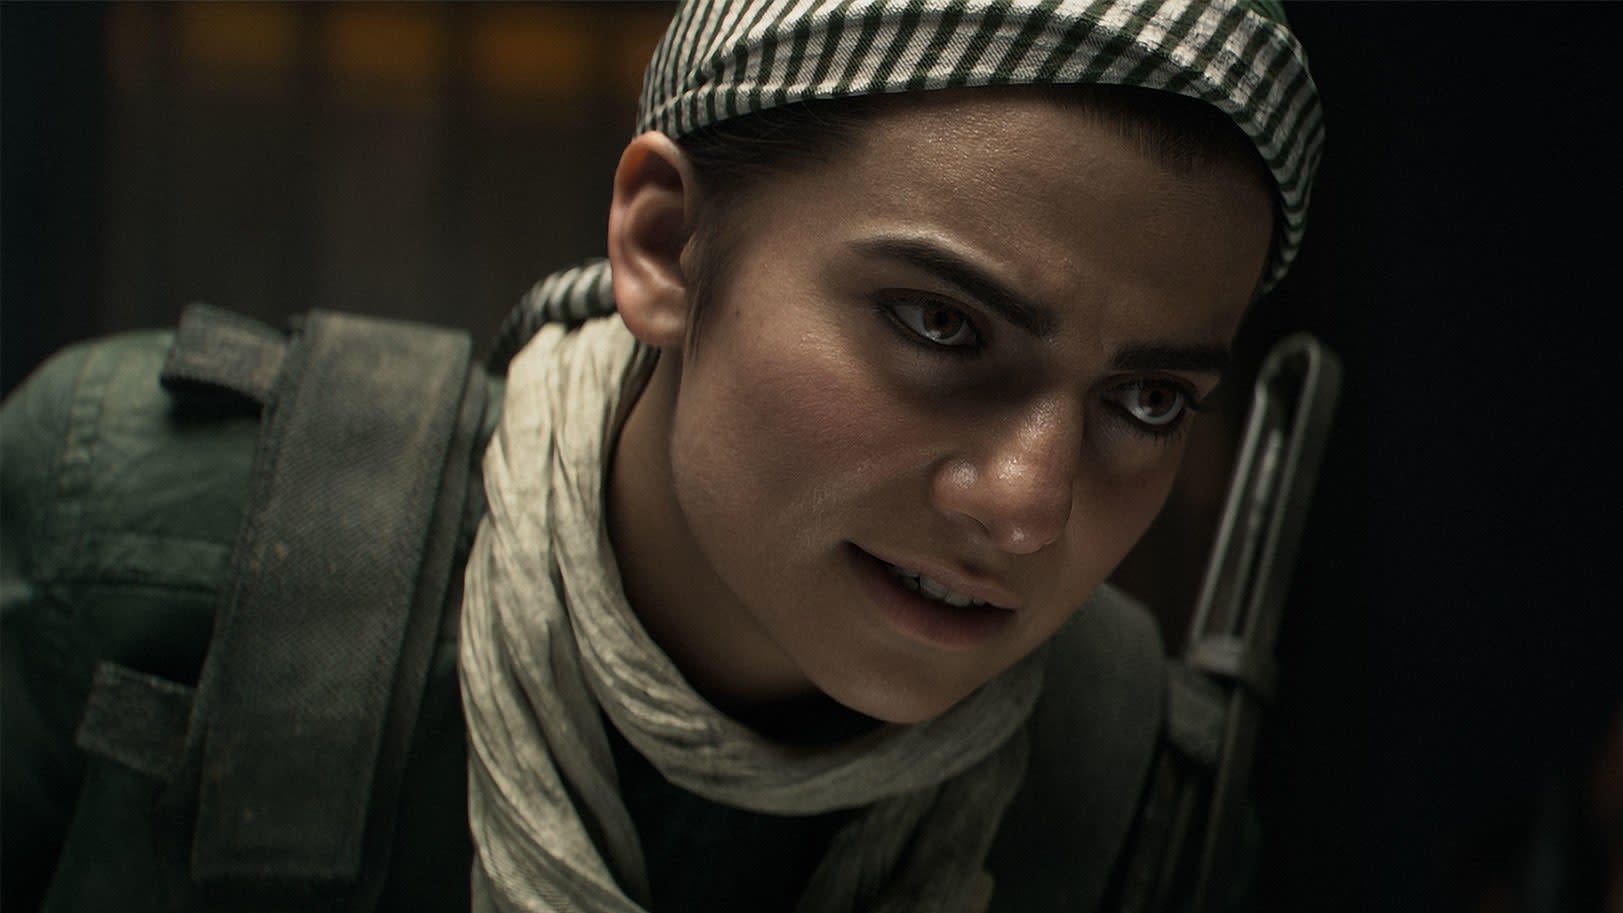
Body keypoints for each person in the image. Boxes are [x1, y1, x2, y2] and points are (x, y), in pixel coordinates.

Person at [0, 1, 1324, 911]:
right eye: (939, 325)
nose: (1030, 505)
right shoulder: (146, 540)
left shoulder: (1128, 793)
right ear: (664, 245)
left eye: (1148, 400)